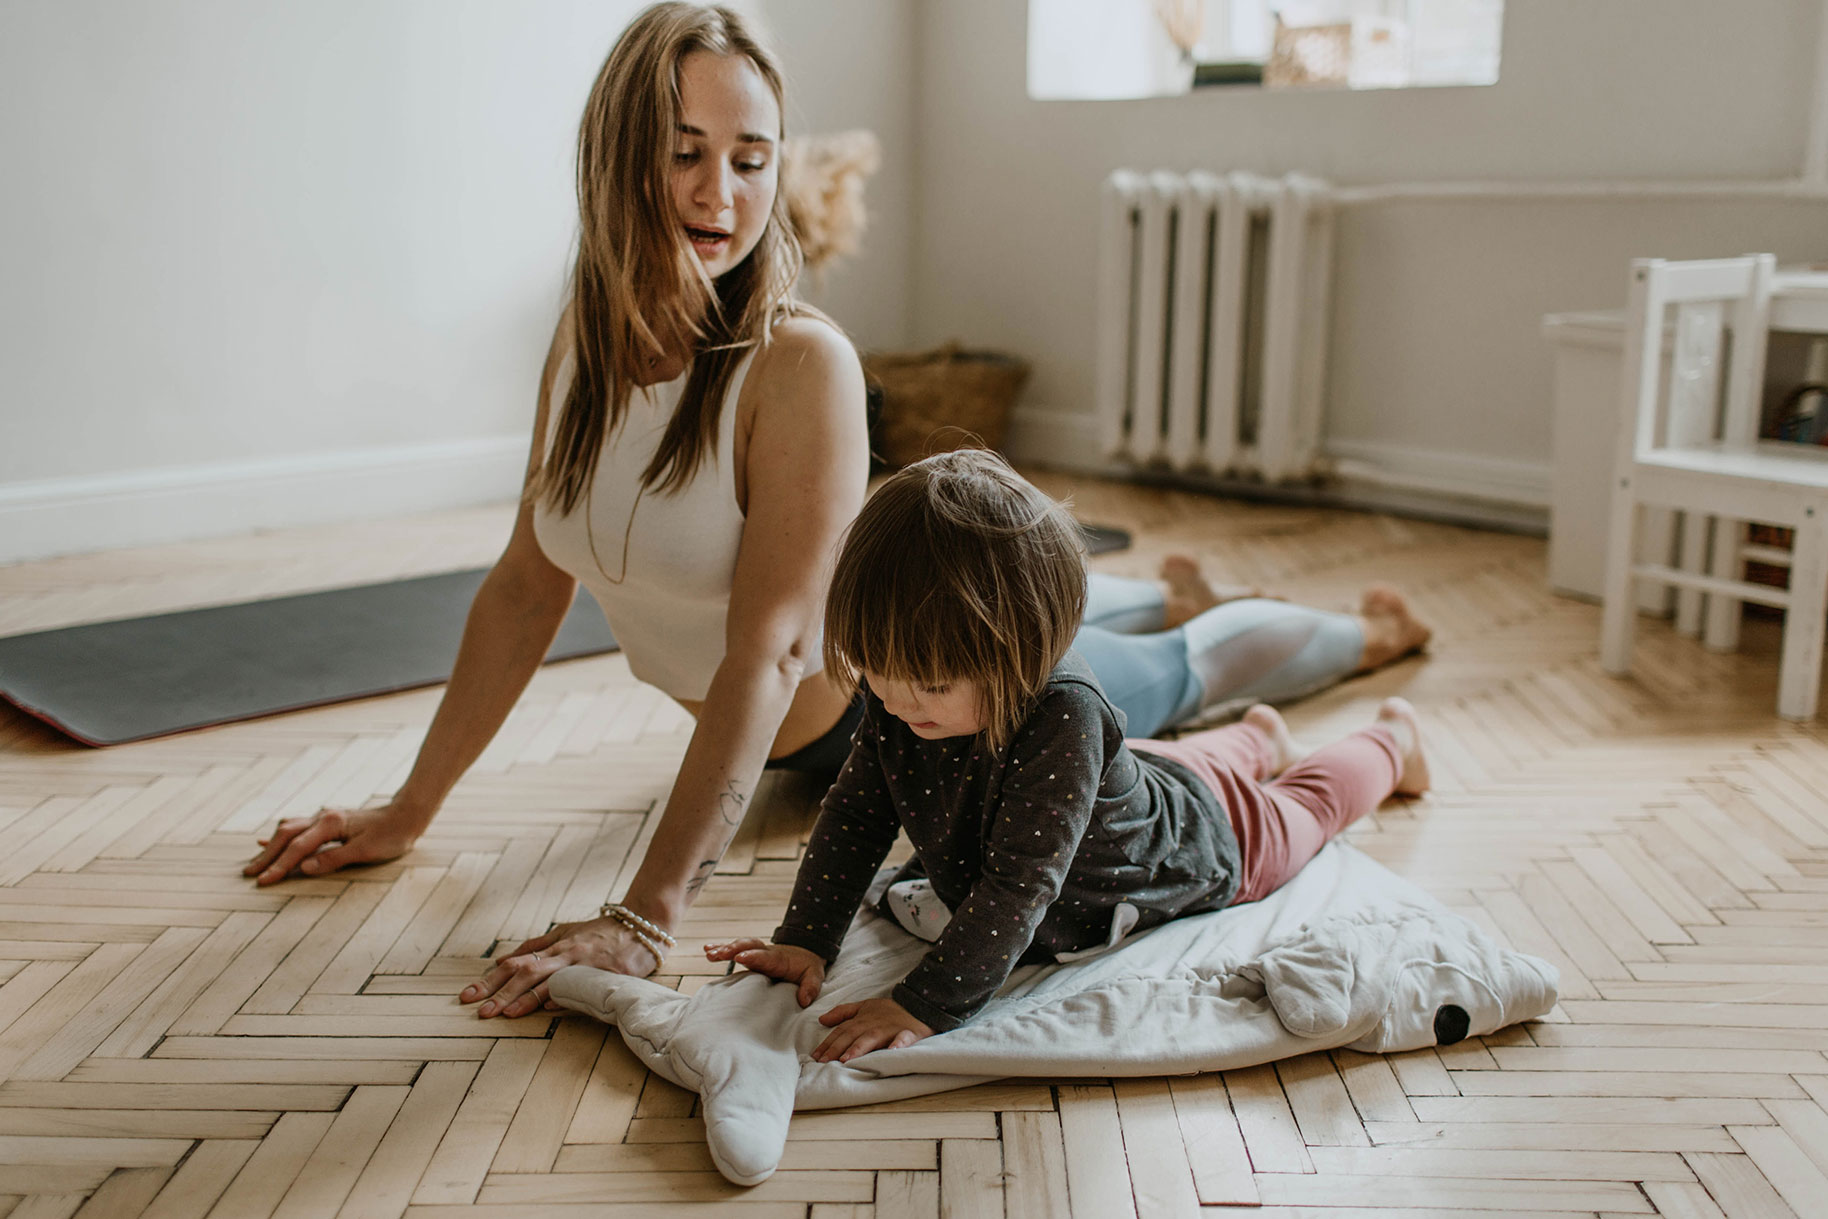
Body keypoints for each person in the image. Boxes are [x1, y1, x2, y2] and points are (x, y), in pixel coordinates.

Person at [241, 2, 1430, 1021]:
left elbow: (769, 650)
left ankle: (1363, 643)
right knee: (1131, 642)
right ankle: (1163, 614)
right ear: (613, 156)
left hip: (933, 705)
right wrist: (410, 807)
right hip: (880, 683)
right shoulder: (582, 345)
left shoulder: (795, 363)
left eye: (751, 158)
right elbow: (521, 587)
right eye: (684, 151)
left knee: (1172, 668)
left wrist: (644, 917)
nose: (722, 192)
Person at [704, 450, 1429, 1060]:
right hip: (1138, 778)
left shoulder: (1065, 714)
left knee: (1306, 804)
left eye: (926, 684)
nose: (894, 702)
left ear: (1020, 652)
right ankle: (1260, 735)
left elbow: (1020, 885)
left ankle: (1392, 740)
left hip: (1202, 837)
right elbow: (858, 812)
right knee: (1174, 765)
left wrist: (923, 1003)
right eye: (876, 675)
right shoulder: (904, 695)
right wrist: (806, 937)